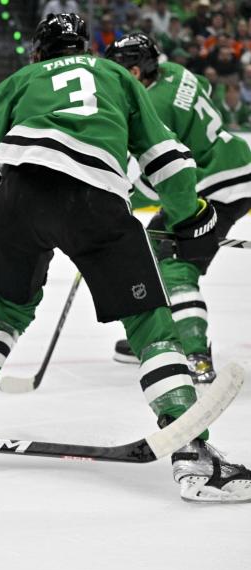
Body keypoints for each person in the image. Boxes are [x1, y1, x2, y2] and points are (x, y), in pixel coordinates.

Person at [0, 14, 250, 503]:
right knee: (149, 322)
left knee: (6, 305)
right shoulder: (114, 76)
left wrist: (22, 210)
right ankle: (191, 449)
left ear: (38, 53)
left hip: (17, 197)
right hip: (93, 199)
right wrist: (189, 214)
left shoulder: (19, 80)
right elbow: (167, 158)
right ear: (84, 47)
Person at [104, 34, 251, 388]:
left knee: (176, 264)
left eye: (120, 73)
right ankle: (165, 334)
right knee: (154, 247)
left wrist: (114, 201)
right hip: (232, 165)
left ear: (137, 72)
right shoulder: (174, 71)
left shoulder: (151, 106)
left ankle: (194, 353)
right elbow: (202, 87)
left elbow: (160, 172)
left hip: (211, 184)